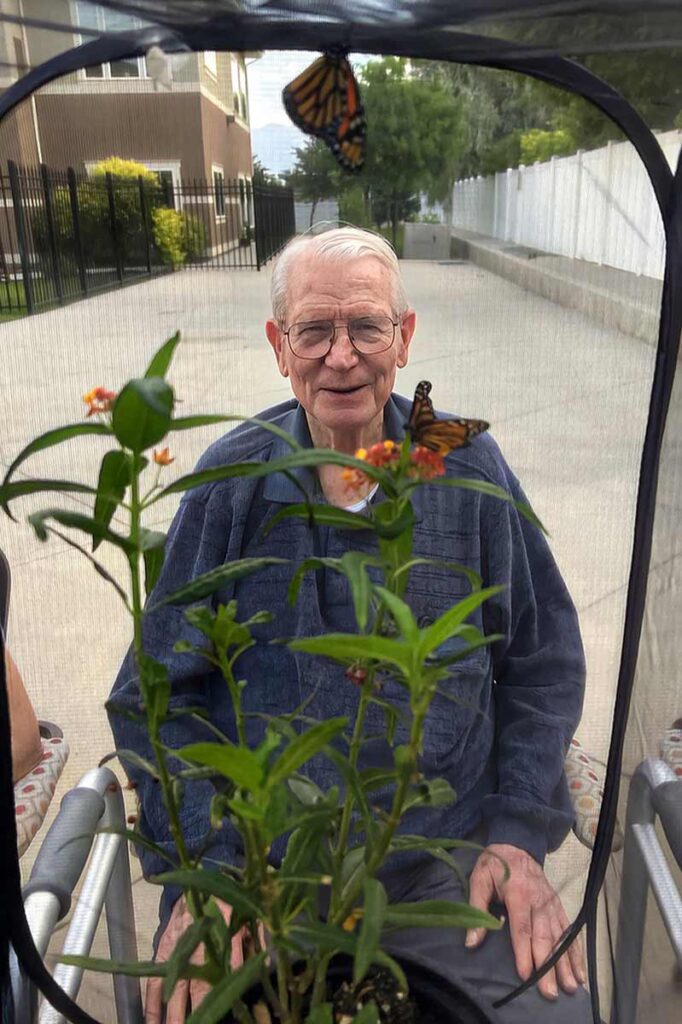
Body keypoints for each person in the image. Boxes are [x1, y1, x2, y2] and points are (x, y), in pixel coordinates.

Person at [109, 227, 589, 1024]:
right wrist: (208, 873)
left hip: (445, 860)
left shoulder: (466, 470)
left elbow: (544, 660)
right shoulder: (233, 482)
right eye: (313, 330)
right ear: (278, 345)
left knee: (555, 1012)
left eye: (366, 326)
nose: (341, 356)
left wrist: (518, 834)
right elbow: (152, 696)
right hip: (264, 873)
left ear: (404, 339)